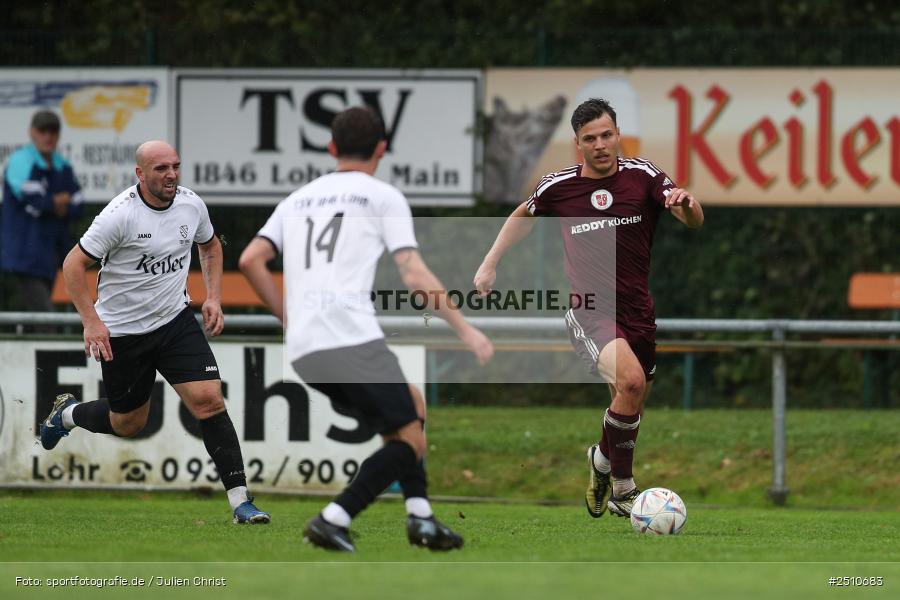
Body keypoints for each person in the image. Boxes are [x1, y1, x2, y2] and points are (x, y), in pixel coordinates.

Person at [239, 106, 493, 552]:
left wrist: (288, 317)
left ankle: (422, 518)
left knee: (412, 407)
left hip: (307, 346)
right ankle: (333, 518)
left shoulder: (296, 199)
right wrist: (465, 329)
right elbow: (413, 273)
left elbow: (250, 260)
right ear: (382, 148)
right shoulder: (381, 196)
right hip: (348, 336)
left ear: (332, 147)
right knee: (410, 439)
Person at [474, 98, 703, 520]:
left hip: (638, 310)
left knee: (630, 400)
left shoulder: (644, 176)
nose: (600, 145)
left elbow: (692, 217)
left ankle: (601, 460)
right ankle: (623, 488)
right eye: (590, 139)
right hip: (590, 310)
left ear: (618, 135)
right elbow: (524, 215)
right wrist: (490, 263)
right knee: (631, 383)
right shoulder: (559, 186)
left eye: (606, 135)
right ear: (577, 144)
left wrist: (686, 206)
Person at [39, 140, 269, 525]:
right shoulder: (119, 216)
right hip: (124, 332)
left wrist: (213, 297)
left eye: (175, 166)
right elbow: (73, 266)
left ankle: (241, 503)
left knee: (209, 400)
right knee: (128, 423)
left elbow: (210, 247)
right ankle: (68, 415)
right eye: (161, 168)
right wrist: (92, 322)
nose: (171, 175)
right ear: (140, 174)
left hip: (174, 321)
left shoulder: (191, 204)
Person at [1, 110, 84, 315]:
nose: (48, 136)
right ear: (32, 132)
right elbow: (37, 201)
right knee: (46, 319)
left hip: (51, 255)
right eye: (42, 130)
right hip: (22, 255)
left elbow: (78, 204)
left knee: (41, 318)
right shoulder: (20, 160)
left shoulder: (61, 165)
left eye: (53, 131)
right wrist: (58, 200)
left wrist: (50, 202)